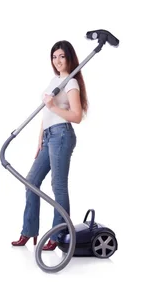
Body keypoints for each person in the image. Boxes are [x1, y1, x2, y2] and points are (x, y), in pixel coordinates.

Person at [11, 40, 87, 250]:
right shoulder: (55, 80)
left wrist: (53, 106)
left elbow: (77, 116)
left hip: (62, 136)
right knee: (31, 182)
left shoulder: (70, 83)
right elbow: (45, 115)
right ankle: (29, 231)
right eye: (54, 57)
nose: (58, 60)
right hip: (48, 137)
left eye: (62, 56)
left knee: (58, 186)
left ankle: (59, 234)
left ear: (69, 57)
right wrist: (39, 141)